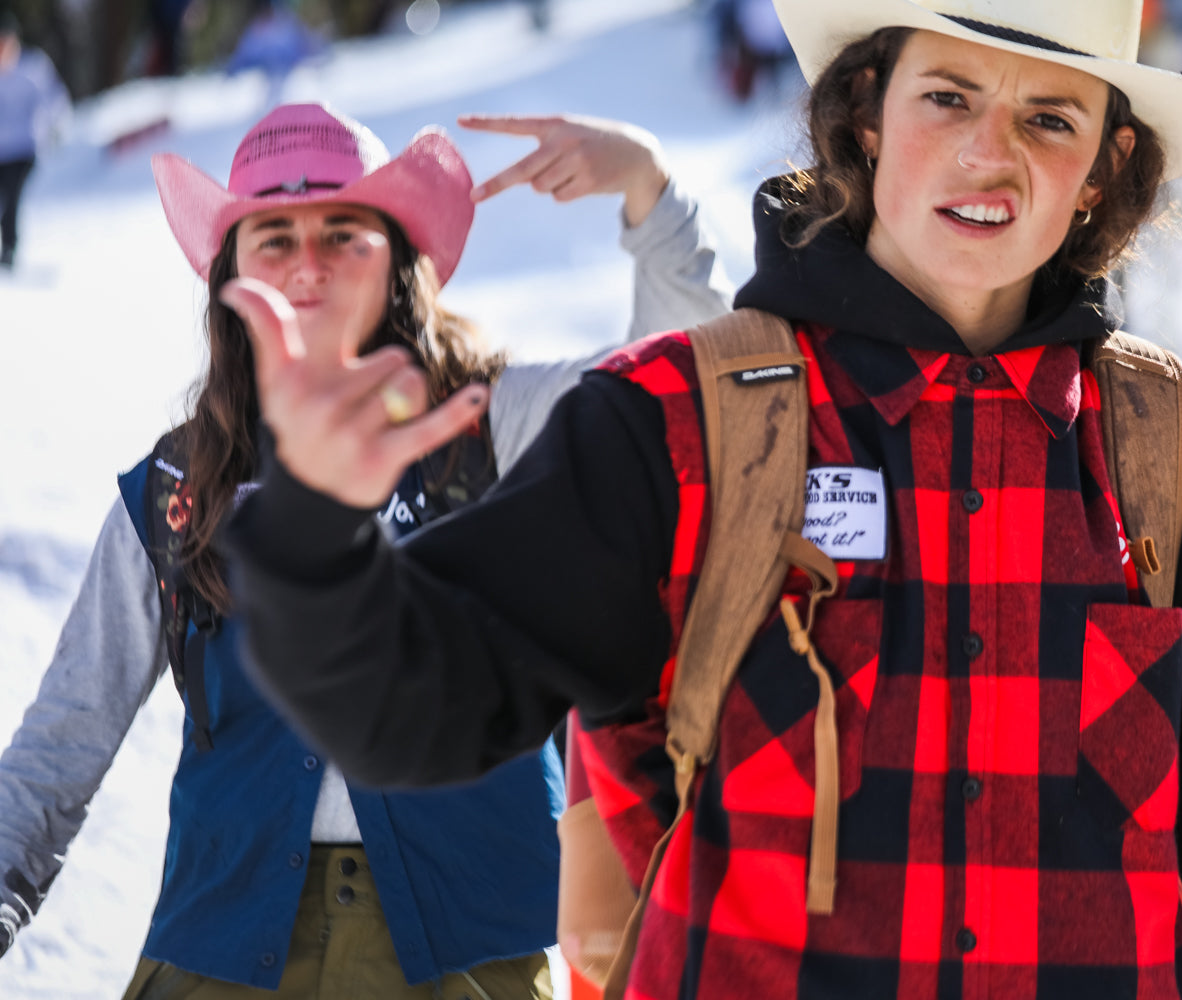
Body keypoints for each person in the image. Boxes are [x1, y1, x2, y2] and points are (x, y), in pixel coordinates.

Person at [223, 2, 1182, 997]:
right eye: (948, 97)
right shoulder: (676, 421)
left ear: (1101, 171)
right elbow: (416, 715)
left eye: (1051, 117)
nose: (991, 153)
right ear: (864, 117)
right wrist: (314, 531)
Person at [0, 102, 730, 998]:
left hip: (469, 958)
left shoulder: (494, 430)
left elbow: (686, 405)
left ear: (399, 263)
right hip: (221, 954)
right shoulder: (178, 491)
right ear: (229, 273)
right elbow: (63, 737)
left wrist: (650, 192)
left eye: (344, 233)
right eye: (274, 237)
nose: (309, 266)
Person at [0, 12, 68, 270]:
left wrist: (53, 128)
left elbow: (54, 98)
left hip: (24, 147)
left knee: (13, 195)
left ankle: (9, 247)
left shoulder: (33, 66)